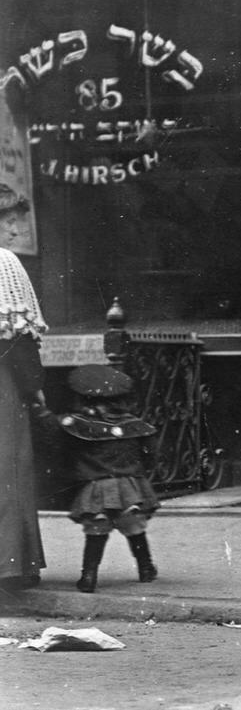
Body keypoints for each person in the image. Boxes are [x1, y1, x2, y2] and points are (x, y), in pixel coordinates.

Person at [58, 365, 160, 593]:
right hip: (129, 486)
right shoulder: (135, 425)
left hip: (95, 487)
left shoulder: (77, 426)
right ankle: (145, 568)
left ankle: (88, 576)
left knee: (96, 530)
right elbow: (151, 456)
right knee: (134, 527)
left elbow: (65, 453)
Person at [0, 236, 48, 592]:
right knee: (8, 472)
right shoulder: (4, 263)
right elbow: (17, 337)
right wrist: (34, 387)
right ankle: (11, 565)